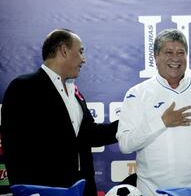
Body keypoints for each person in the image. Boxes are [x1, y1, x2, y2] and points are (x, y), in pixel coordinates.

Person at [0, 28, 119, 196]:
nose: (83, 59)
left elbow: (90, 134)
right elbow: (13, 146)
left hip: (83, 189)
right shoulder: (23, 87)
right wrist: (29, 190)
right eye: (80, 52)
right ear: (64, 50)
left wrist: (128, 122)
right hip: (46, 190)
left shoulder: (75, 93)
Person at [116, 28, 191, 196]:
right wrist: (162, 122)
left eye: (181, 52)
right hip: (152, 192)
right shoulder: (137, 94)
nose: (175, 58)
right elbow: (125, 145)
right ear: (156, 57)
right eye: (168, 52)